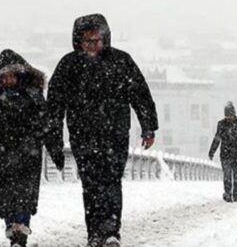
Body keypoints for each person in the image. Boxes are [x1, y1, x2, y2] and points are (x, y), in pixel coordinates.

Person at [46, 14, 159, 247]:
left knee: (111, 181)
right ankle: (95, 233)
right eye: (88, 41)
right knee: (91, 184)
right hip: (82, 135)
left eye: (97, 40)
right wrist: (54, 139)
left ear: (105, 39)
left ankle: (111, 231)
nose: (93, 46)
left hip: (115, 134)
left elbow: (140, 95)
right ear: (79, 41)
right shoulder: (69, 65)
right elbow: (54, 105)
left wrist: (148, 127)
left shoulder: (121, 61)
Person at [0, 49, 65, 247]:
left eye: (12, 75)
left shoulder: (33, 96)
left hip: (27, 154)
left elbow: (47, 125)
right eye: (4, 76)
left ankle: (20, 230)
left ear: (21, 75)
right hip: (0, 154)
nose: (9, 80)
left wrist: (56, 151)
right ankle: (13, 229)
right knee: (6, 196)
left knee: (25, 194)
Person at [209, 101, 237, 202]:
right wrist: (212, 151)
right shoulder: (221, 124)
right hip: (226, 155)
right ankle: (228, 193)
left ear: (234, 114)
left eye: (230, 115)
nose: (228, 118)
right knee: (227, 175)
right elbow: (217, 139)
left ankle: (236, 193)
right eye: (227, 116)